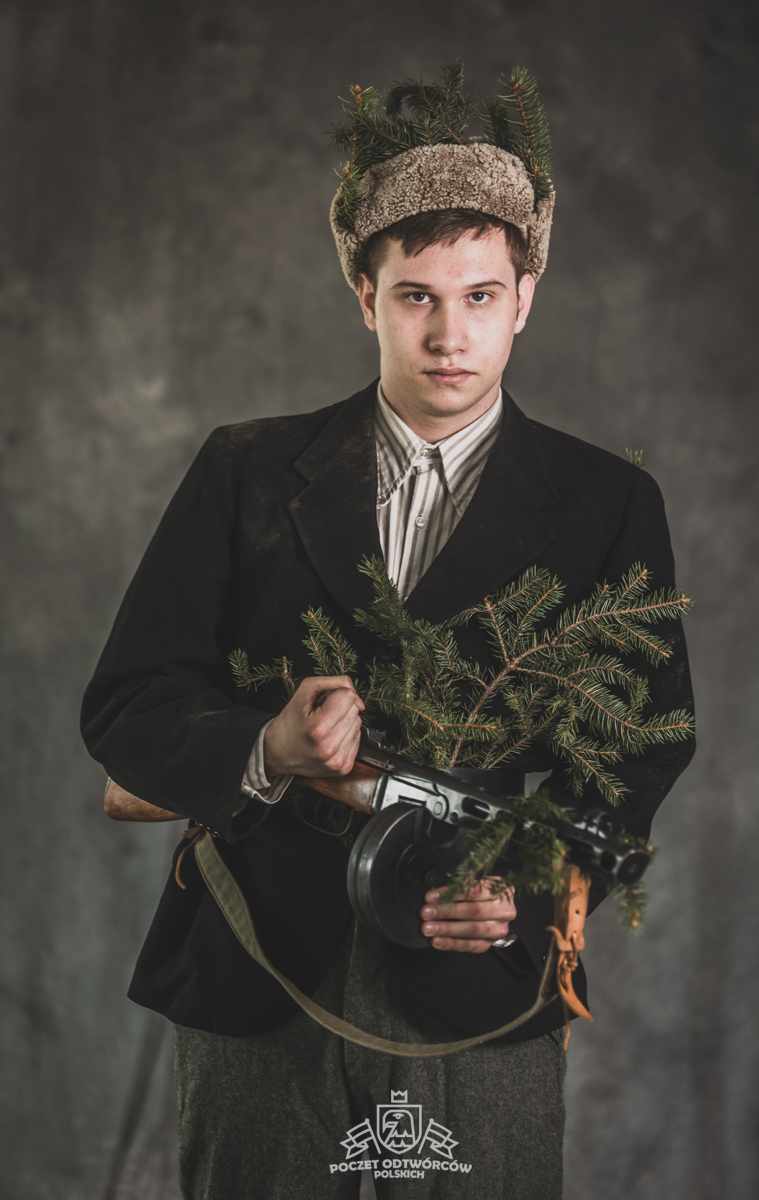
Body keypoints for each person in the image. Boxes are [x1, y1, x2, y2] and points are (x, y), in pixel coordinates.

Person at [81, 66, 694, 1200]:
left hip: (473, 966)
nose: (448, 334)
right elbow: (130, 702)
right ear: (364, 296)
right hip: (259, 961)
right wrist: (266, 747)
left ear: (525, 299)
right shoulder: (244, 471)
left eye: (480, 296)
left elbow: (640, 746)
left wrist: (523, 886)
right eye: (416, 296)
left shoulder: (607, 506)